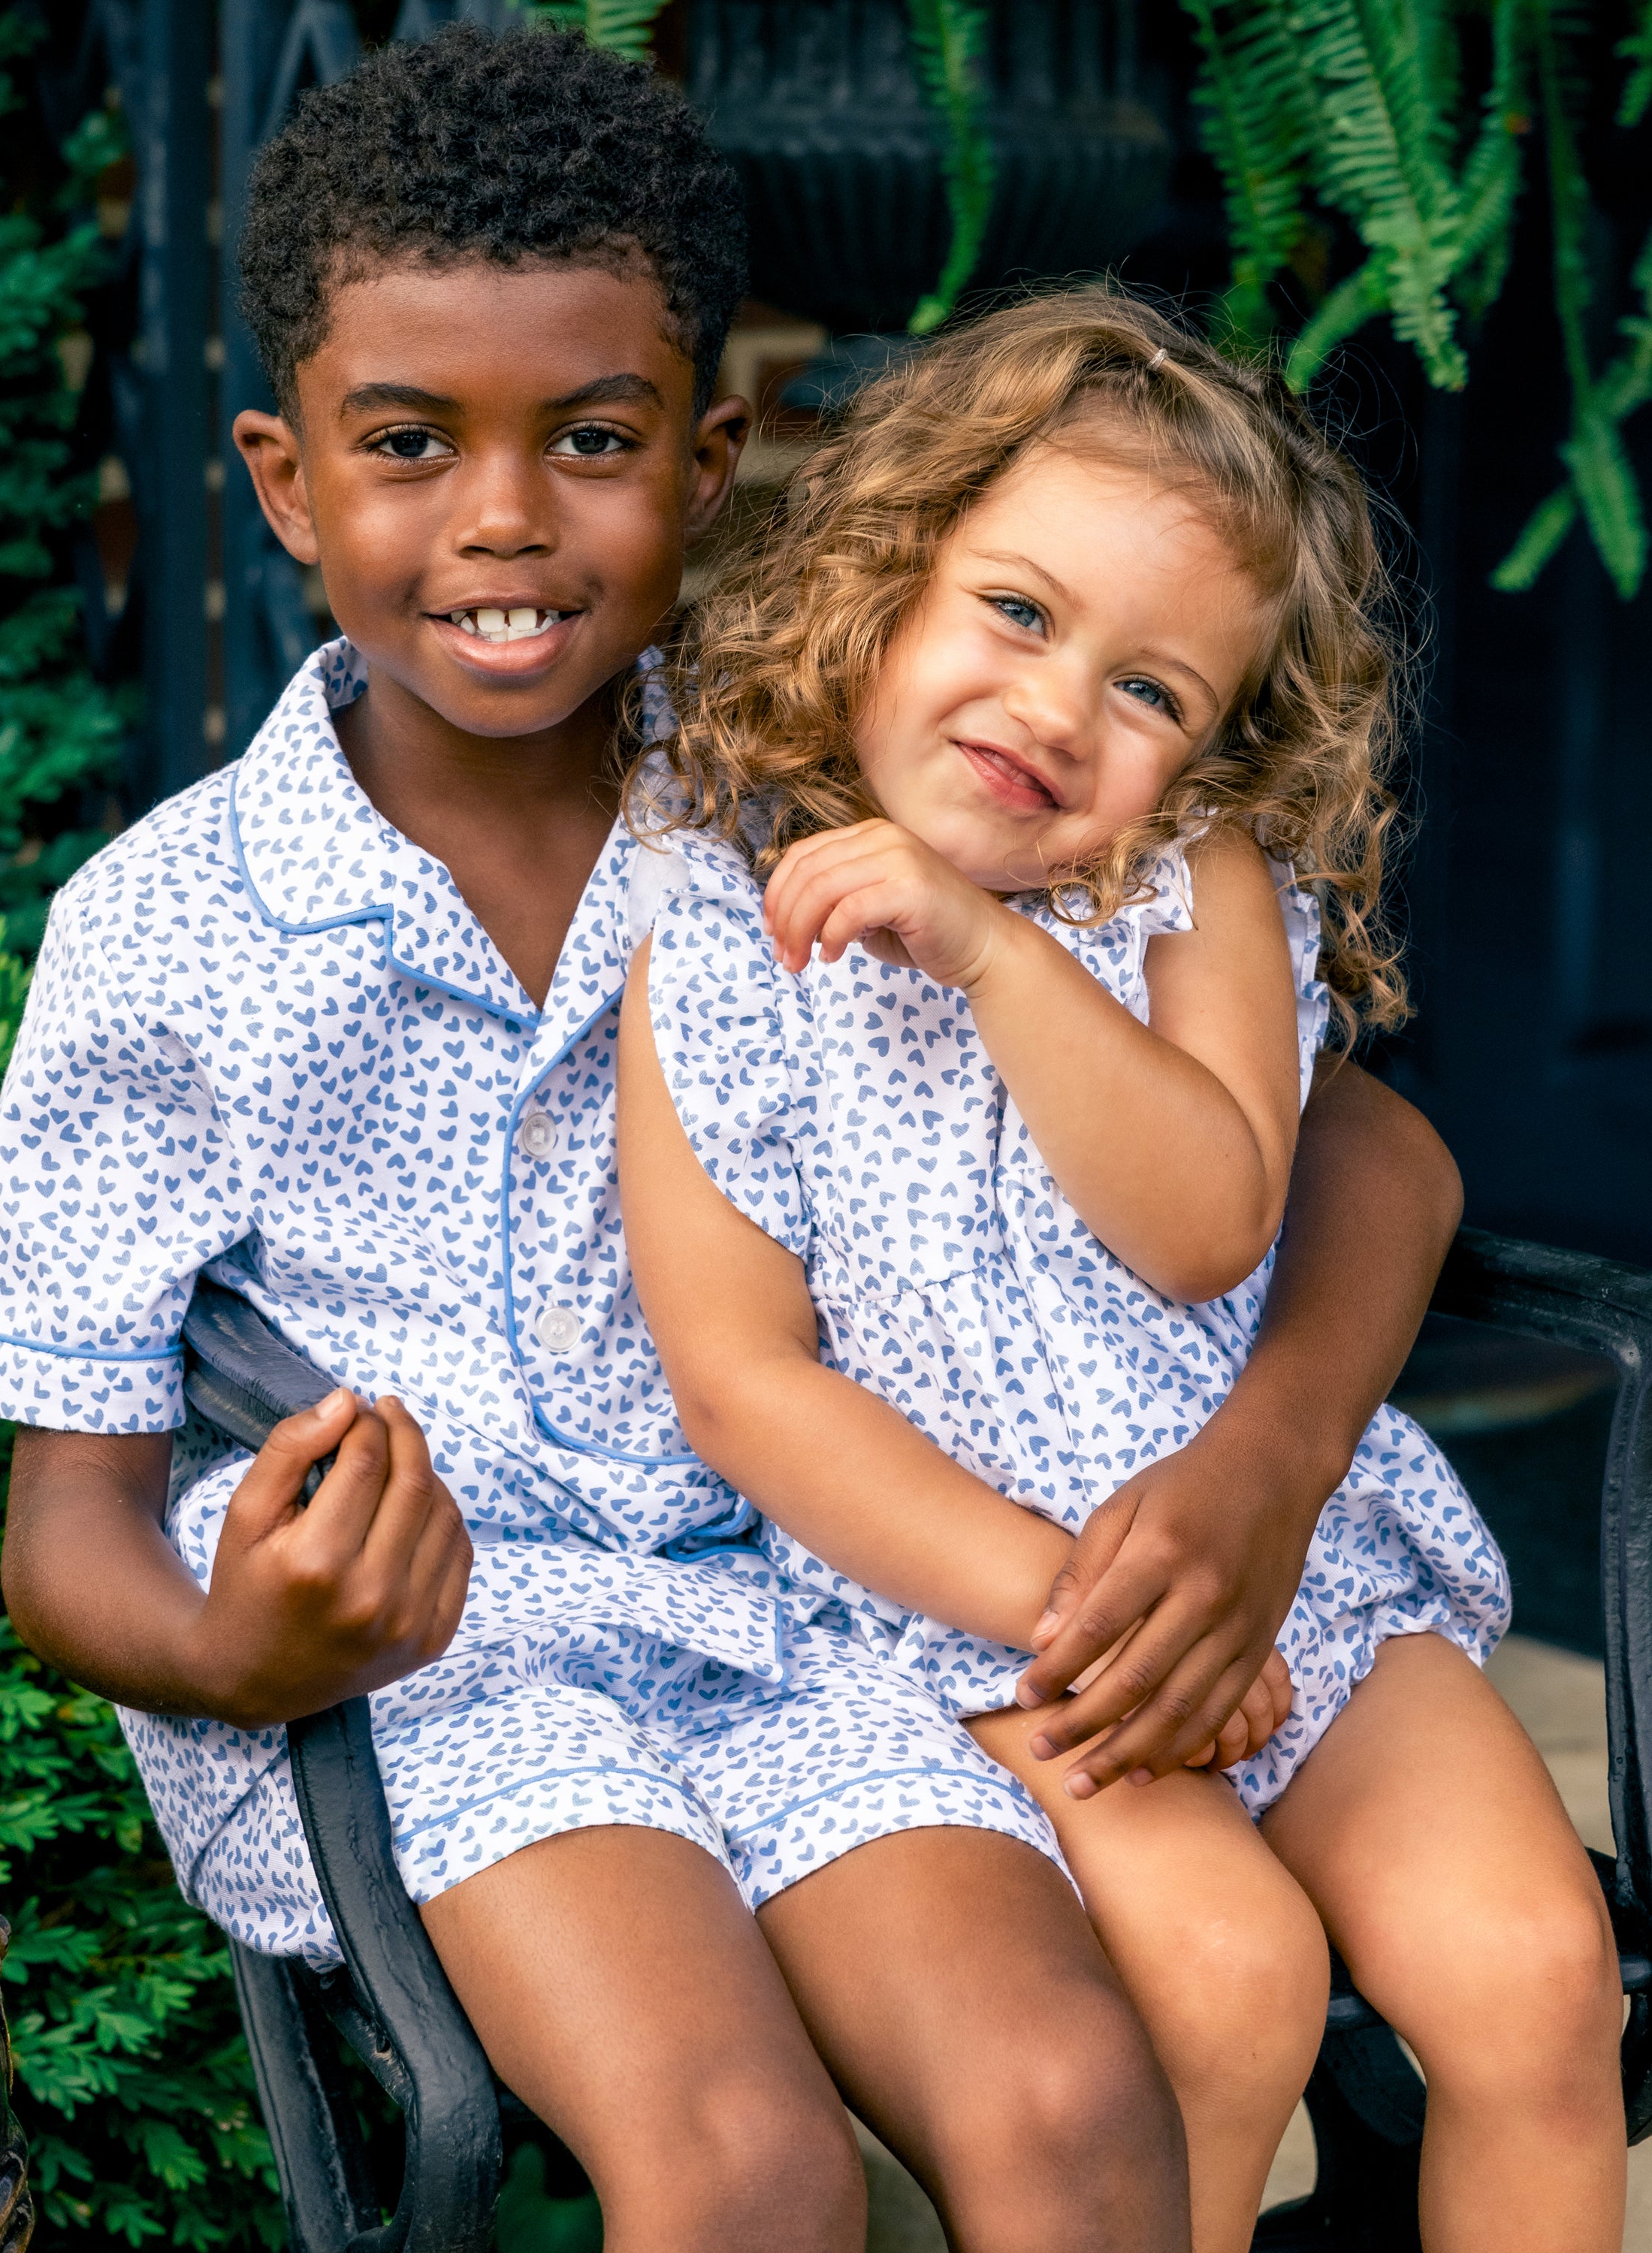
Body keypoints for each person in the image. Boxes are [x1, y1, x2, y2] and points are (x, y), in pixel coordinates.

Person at [0, 26, 1465, 2251]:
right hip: (444, 1690)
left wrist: (1263, 1471)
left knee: (1070, 2097)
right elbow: (60, 1524)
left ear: (711, 452)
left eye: (592, 440)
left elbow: (1364, 1154)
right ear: (284, 481)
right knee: (743, 2172)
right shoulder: (171, 931)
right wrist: (234, 1647)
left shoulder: (845, 784)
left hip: (828, 1637)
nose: (502, 521)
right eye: (404, 446)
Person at [618, 288, 1626, 2253]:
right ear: (880, 588)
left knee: (1532, 1965)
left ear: (1217, 748)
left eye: (1155, 690)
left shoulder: (1193, 888)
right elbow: (747, 1386)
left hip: (1288, 1576)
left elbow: (1210, 1218)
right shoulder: (714, 930)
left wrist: (997, 957)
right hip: (977, 1611)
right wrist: (1074, 1612)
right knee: (1226, 1982)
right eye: (1016, 612)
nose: (1063, 707)